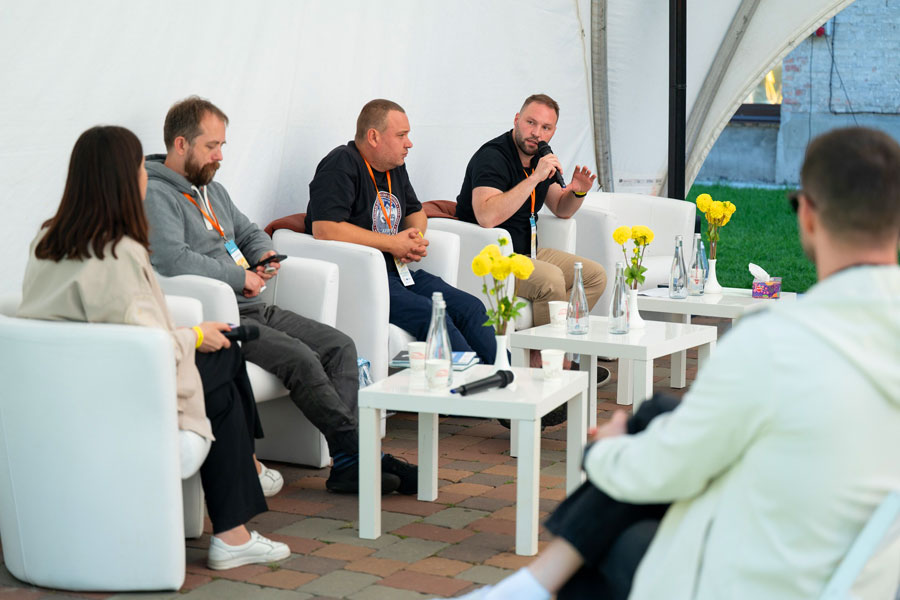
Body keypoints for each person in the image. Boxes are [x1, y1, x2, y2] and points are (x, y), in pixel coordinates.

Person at [447, 126, 900, 599]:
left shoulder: (775, 342)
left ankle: (532, 585)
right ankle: (534, 583)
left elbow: (669, 471)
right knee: (656, 413)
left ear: (807, 215)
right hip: (859, 575)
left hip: (756, 579)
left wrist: (607, 451)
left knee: (615, 536)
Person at [17, 125, 291, 570]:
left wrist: (194, 334)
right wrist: (196, 336)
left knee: (222, 356)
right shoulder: (117, 251)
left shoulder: (46, 241)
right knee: (224, 358)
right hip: (113, 392)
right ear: (125, 179)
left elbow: (108, 328)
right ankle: (235, 525)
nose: (147, 175)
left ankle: (244, 494)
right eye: (140, 169)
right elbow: (139, 348)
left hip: (60, 390)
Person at [144, 96, 416, 495]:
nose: (220, 156)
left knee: (340, 345)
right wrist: (239, 277)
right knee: (301, 358)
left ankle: (347, 465)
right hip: (221, 317)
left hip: (254, 306)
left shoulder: (212, 190)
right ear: (181, 144)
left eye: (222, 145)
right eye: (211, 146)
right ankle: (360, 455)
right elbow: (172, 260)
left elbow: (249, 231)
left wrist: (264, 255)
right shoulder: (156, 194)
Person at [306, 99, 496, 364]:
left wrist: (413, 238)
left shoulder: (394, 166)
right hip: (365, 279)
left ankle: (504, 376)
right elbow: (325, 228)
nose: (409, 143)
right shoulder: (341, 163)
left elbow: (416, 212)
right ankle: (470, 384)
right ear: (374, 137)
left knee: (471, 307)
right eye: (401, 135)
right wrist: (392, 243)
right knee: (431, 314)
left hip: (399, 272)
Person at [456, 93, 609, 380]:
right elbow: (486, 216)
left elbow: (561, 208)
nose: (536, 133)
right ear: (517, 120)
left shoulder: (540, 158)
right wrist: (535, 177)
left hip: (530, 253)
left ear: (553, 131)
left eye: (545, 127)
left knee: (593, 275)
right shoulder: (492, 157)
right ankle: (553, 364)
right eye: (530, 123)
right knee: (551, 279)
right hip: (496, 258)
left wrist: (577, 191)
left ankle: (545, 354)